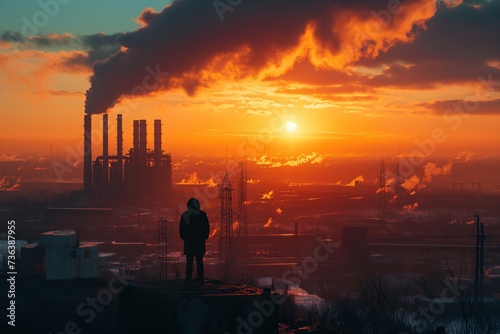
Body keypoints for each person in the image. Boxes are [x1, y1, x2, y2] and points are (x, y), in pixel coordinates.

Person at [179, 198, 210, 285]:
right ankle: (200, 279)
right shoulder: (202, 215)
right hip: (199, 243)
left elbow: (182, 230)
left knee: (189, 262)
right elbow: (206, 228)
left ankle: (188, 279)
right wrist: (203, 238)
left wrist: (187, 238)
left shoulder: (185, 215)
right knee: (199, 261)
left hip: (189, 243)